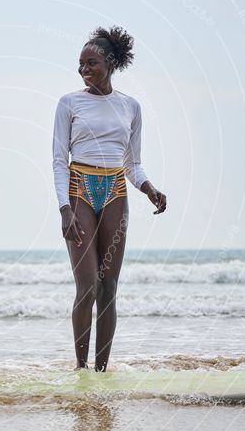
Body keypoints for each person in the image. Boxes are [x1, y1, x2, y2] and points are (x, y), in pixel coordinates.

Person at [52, 25, 167, 372]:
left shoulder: (130, 107)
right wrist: (64, 209)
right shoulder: (69, 103)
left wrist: (149, 189)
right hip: (79, 191)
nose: (85, 70)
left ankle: (101, 370)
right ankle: (81, 368)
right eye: (81, 64)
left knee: (109, 288)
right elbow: (59, 160)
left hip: (115, 189)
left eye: (92, 64)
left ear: (111, 63)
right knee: (87, 286)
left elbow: (132, 164)